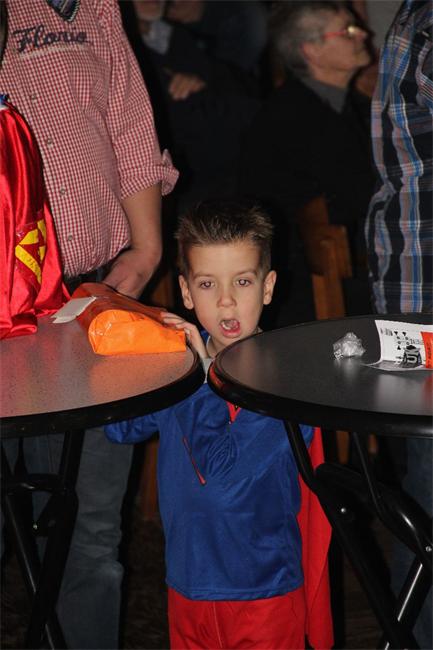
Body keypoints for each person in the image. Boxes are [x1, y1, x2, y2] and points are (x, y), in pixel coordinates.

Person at [0, 1, 177, 648]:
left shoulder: (97, 5)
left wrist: (146, 249)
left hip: (87, 300)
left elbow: (129, 125)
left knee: (92, 527)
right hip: (4, 307)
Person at [106, 199, 333, 650]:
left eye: (242, 281)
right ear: (186, 293)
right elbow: (120, 428)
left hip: (263, 591)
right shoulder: (183, 368)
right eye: (207, 284)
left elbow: (221, 474)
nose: (226, 300)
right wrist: (133, 348)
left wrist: (196, 375)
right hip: (187, 583)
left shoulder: (281, 387)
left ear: (267, 287)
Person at [239, 0, 376, 325]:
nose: (363, 34)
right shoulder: (294, 116)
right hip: (318, 294)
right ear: (311, 51)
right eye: (347, 31)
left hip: (352, 268)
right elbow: (363, 197)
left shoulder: (345, 104)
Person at [365, 1, 432, 647]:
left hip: (407, 292)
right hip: (421, 299)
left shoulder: (415, 18)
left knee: (423, 489)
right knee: (427, 493)